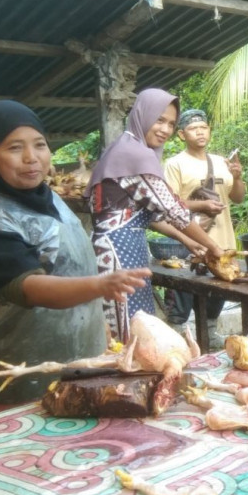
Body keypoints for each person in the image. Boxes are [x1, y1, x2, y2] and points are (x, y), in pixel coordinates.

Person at [0, 100, 150, 418]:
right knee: (18, 463)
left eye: (39, 145)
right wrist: (100, 285)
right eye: (15, 148)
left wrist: (98, 327)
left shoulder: (47, 197)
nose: (31, 158)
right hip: (16, 379)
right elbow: (29, 288)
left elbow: (71, 266)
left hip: (80, 368)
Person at [87, 89, 223, 343]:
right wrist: (214, 247)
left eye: (171, 123)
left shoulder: (126, 147)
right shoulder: (135, 155)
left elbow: (151, 216)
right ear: (142, 114)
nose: (165, 129)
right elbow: (175, 210)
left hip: (123, 245)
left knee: (136, 325)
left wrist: (189, 241)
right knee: (126, 327)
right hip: (117, 251)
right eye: (159, 120)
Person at [157, 108, 245, 338]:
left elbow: (238, 198)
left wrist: (237, 178)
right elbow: (168, 204)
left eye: (203, 127)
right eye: (193, 129)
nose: (199, 132)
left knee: (219, 292)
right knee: (183, 293)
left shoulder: (221, 161)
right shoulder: (175, 164)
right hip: (190, 241)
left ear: (209, 131)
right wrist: (202, 205)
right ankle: (176, 337)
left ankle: (210, 333)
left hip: (223, 239)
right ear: (182, 135)